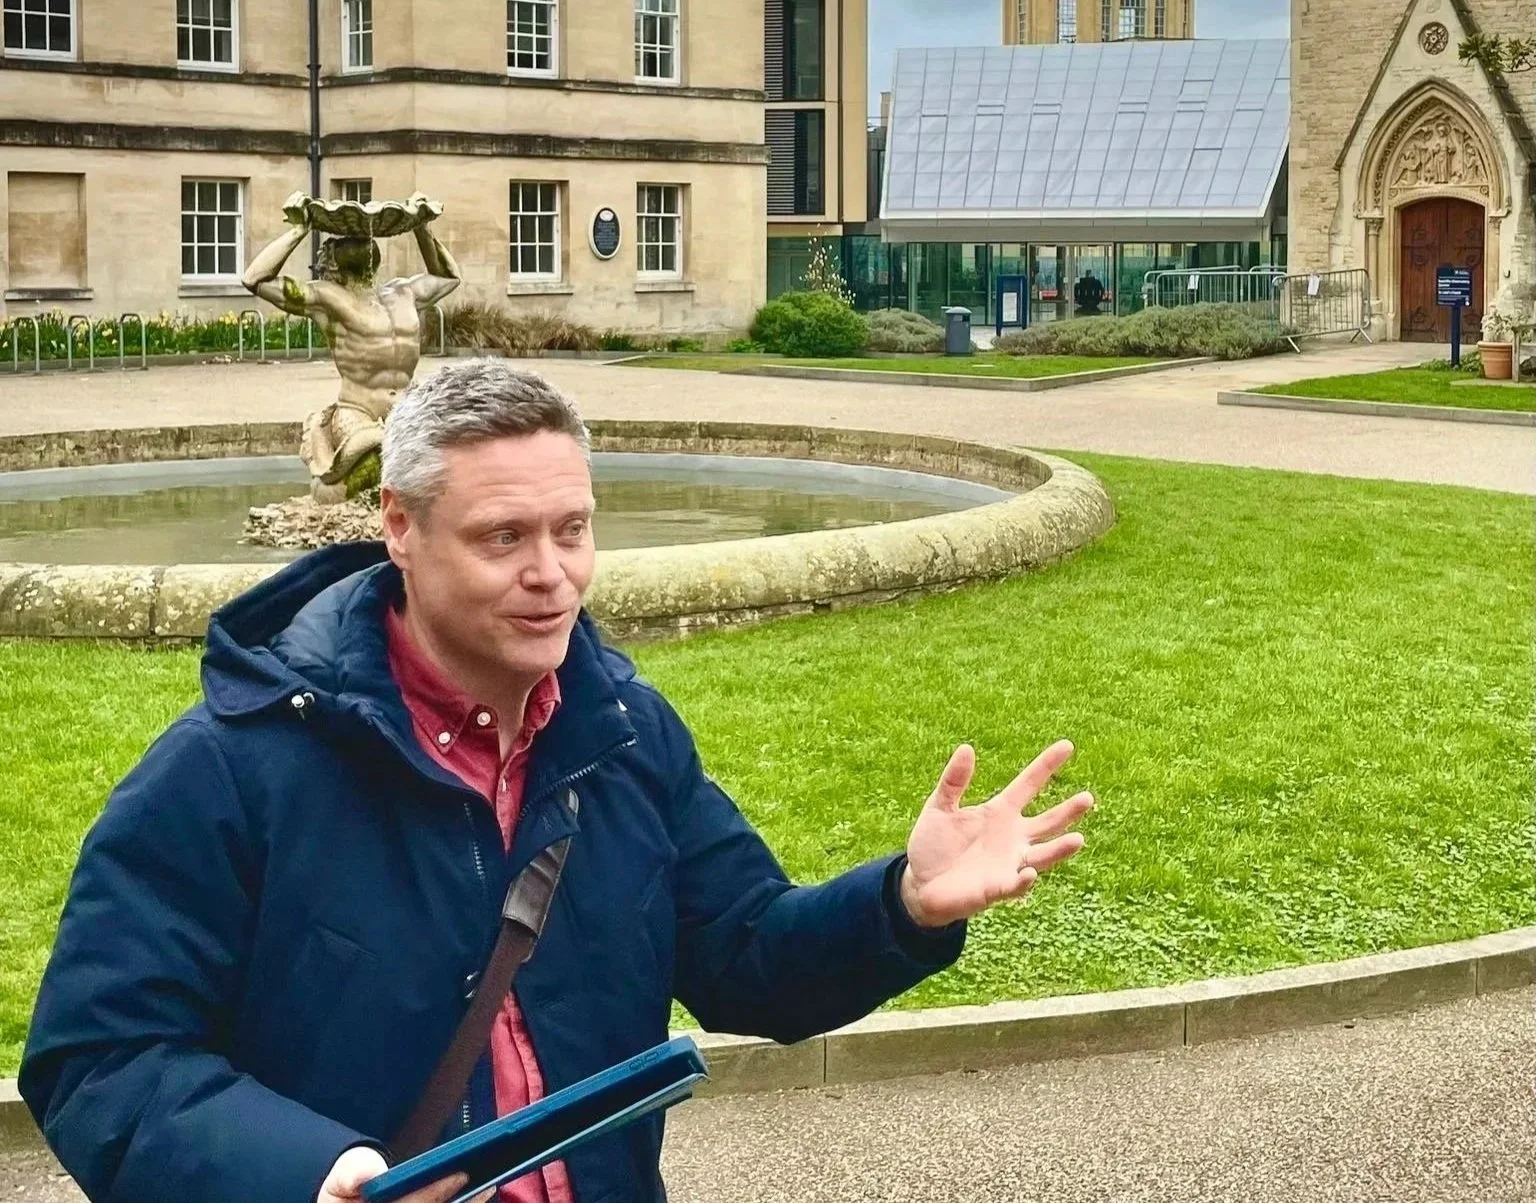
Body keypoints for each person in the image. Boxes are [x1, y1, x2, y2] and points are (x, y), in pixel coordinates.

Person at [20, 360, 1094, 1203]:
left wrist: (903, 904)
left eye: (572, 529)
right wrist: (300, 1171)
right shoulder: (233, 762)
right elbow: (99, 1059)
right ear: (398, 525)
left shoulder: (621, 730)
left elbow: (747, 958)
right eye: (504, 538)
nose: (552, 574)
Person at [242, 197, 461, 501]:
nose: (356, 241)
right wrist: (298, 230)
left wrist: (421, 228)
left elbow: (448, 277)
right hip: (358, 411)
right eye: (344, 239)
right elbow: (254, 279)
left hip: (407, 410)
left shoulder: (403, 292)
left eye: (360, 238)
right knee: (372, 454)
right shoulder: (327, 298)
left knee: (457, 457)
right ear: (331, 258)